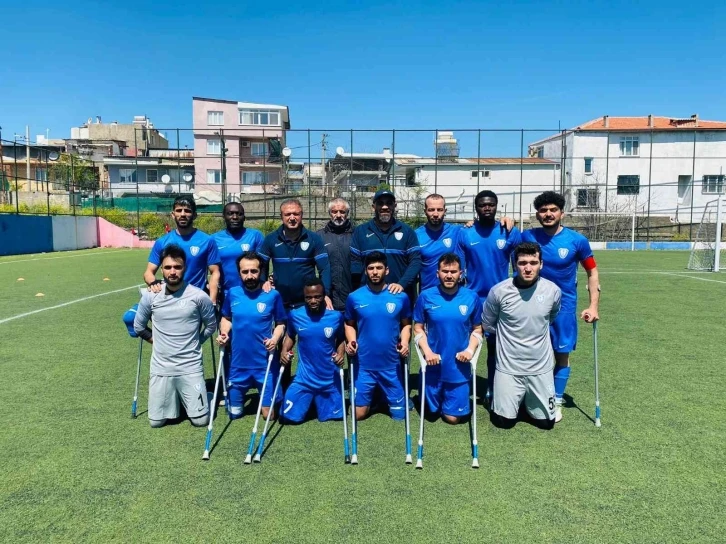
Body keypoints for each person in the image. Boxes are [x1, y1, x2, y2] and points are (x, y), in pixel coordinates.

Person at [521, 191, 600, 423]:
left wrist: (593, 306)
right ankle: (530, 395)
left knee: (561, 355)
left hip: (563, 308)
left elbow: (592, 272)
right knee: (531, 354)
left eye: (553, 210)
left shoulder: (577, 241)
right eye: (543, 210)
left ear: (561, 213)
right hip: (531, 307)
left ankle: (555, 400)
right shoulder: (527, 236)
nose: (548, 214)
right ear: (537, 214)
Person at [133, 244, 217, 428]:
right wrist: (156, 341)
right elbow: (138, 326)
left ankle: (208, 396)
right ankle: (178, 399)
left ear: (184, 268)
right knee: (156, 422)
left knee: (201, 421)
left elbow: (211, 325)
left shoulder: (198, 296)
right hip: (161, 367)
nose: (172, 272)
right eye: (168, 267)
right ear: (161, 269)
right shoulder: (150, 296)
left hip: (190, 366)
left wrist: (197, 341)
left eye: (177, 267)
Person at [481, 242, 562, 430]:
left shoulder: (552, 291)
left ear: (541, 264)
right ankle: (512, 399)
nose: (528, 268)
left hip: (540, 367)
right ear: (514, 265)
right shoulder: (499, 291)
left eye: (533, 263)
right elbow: (488, 324)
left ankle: (527, 401)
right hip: (509, 368)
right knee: (503, 423)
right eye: (522, 263)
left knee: (546, 424)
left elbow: (551, 317)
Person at [457, 190, 522, 402]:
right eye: (482, 205)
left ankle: (493, 389)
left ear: (496, 206)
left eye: (491, 204)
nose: (487, 208)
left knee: (496, 349)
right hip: (473, 299)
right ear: (476, 208)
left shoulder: (509, 232)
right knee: (465, 346)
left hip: (500, 300)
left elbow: (520, 267)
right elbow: (458, 270)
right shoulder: (465, 233)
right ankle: (461, 387)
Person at [413, 253, 483, 424]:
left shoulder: (471, 297)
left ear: (461, 273)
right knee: (431, 414)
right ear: (438, 273)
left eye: (453, 272)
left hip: (458, 366)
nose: (449, 275)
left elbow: (478, 329)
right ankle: (427, 395)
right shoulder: (426, 296)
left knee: (452, 419)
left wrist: (470, 350)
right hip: (433, 364)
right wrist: (427, 352)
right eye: (445, 271)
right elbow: (418, 328)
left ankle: (454, 395)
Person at [216, 251, 287, 420]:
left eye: (254, 271)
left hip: (264, 364)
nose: (249, 276)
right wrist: (224, 333)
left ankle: (268, 398)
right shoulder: (232, 293)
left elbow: (281, 323)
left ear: (261, 271)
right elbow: (226, 318)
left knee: (268, 416)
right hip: (238, 365)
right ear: (239, 272)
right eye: (245, 272)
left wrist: (275, 339)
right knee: (234, 414)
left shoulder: (272, 295)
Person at [345, 251, 412, 421]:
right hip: (365, 366)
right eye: (371, 268)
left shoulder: (400, 297)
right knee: (357, 415)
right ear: (366, 271)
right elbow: (349, 324)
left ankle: (385, 396)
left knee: (400, 416)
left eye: (379, 268)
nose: (375, 272)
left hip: (391, 366)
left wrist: (404, 342)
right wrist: (351, 341)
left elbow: (406, 324)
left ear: (386, 270)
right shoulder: (354, 297)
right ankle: (375, 398)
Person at [280, 278, 346, 423]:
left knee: (336, 419)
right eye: (308, 297)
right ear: (304, 298)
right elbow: (290, 335)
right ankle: (309, 401)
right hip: (304, 379)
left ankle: (316, 402)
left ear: (324, 296)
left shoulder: (336, 317)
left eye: (317, 297)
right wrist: (284, 350)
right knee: (287, 419)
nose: (313, 301)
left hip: (329, 380)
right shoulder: (295, 315)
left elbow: (341, 339)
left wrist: (341, 354)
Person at [144, 196, 221, 305]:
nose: (183, 214)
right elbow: (149, 272)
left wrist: (212, 301)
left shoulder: (207, 241)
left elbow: (215, 272)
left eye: (187, 211)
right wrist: (153, 283)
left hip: (196, 300)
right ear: (173, 214)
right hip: (169, 299)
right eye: (179, 210)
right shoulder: (162, 242)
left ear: (194, 215)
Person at [258, 199, 332, 311]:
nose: (292, 218)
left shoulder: (314, 239)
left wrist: (325, 293)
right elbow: (261, 264)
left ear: (302, 215)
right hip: (279, 301)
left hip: (307, 303)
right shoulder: (271, 239)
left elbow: (324, 268)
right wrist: (263, 282)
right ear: (281, 216)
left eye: (296, 214)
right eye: (287, 214)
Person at [350, 189, 421, 301]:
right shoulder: (361, 231)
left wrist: (402, 284)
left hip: (400, 295)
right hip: (370, 296)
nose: (384, 207)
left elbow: (415, 261)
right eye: (380, 203)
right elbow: (355, 263)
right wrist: (361, 289)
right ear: (373, 207)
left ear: (394, 206)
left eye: (389, 203)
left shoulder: (407, 231)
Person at [212, 201, 264, 295]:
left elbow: (263, 264)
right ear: (224, 217)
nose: (235, 217)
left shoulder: (255, 236)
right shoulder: (214, 239)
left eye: (239, 214)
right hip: (225, 294)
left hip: (252, 292)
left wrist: (264, 283)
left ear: (244, 217)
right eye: (230, 213)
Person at [415, 194, 465, 292]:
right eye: (431, 210)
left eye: (439, 210)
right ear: (425, 211)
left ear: (445, 211)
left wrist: (472, 223)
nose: (435, 214)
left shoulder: (456, 231)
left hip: (454, 293)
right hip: (428, 293)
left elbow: (477, 227)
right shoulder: (416, 235)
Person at [317, 197, 354, 312]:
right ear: (329, 213)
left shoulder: (357, 234)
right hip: (327, 300)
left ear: (347, 213)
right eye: (334, 211)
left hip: (352, 296)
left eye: (342, 212)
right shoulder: (319, 236)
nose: (338, 215)